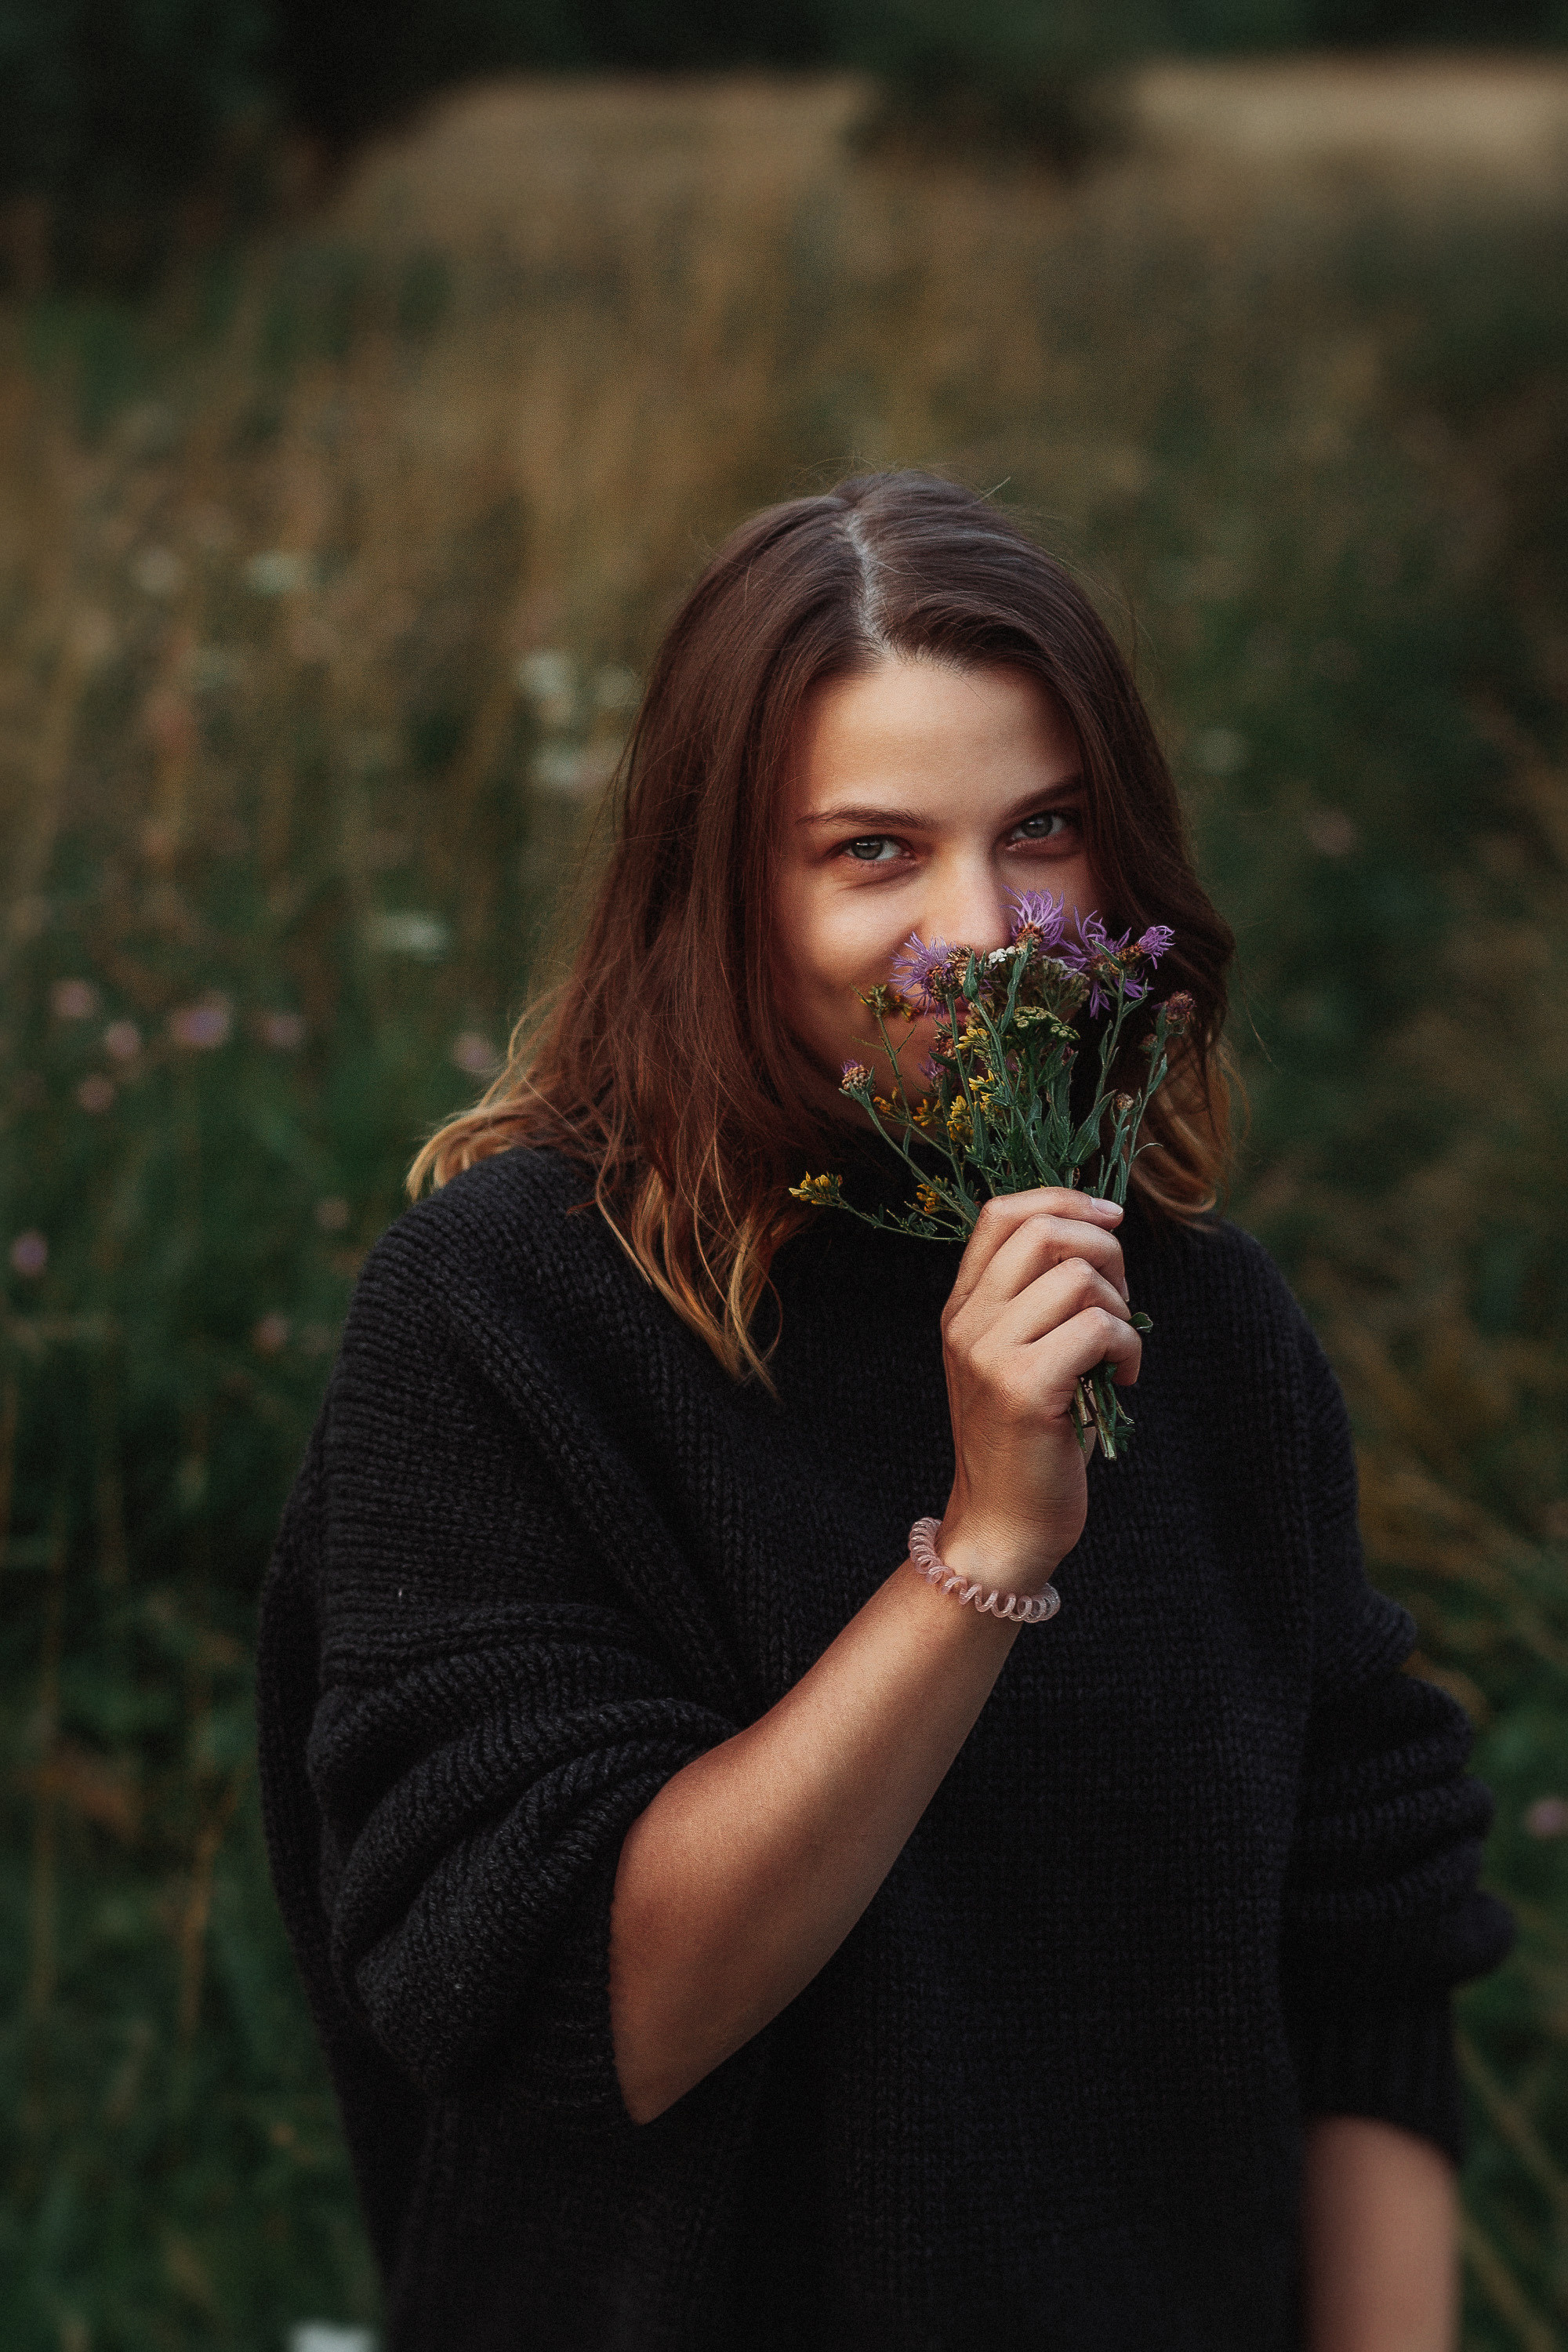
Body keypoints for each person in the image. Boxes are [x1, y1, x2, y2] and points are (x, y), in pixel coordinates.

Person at [257, 472, 1512, 2352]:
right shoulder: (510, 1315)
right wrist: (987, 1551)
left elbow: (1367, 1939)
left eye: (1044, 830)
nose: (980, 932)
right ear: (719, 881)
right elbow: (587, 2011)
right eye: (869, 851)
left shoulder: (1206, 1325)